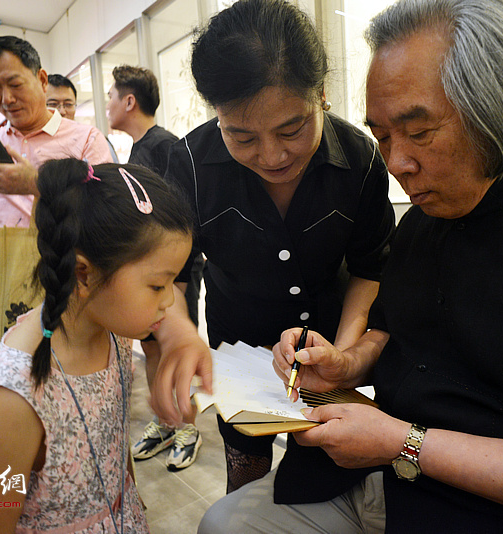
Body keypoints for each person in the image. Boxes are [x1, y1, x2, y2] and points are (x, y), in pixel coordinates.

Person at [199, 0, 503, 532]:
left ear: (501, 107)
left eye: (418, 133)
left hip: (492, 508)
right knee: (223, 523)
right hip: (370, 477)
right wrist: (348, 363)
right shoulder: (422, 222)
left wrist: (406, 442)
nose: (396, 164)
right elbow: (393, 330)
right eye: (383, 136)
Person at [151, 0, 395, 496]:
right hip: (236, 344)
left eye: (292, 129)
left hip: (330, 336)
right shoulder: (191, 163)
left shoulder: (361, 159)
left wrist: (344, 356)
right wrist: (177, 333)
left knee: (333, 472)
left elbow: (371, 268)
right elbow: (171, 271)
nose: (271, 155)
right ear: (217, 115)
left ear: (321, 95)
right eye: (241, 136)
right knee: (245, 472)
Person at [0, 160, 193, 533]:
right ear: (84, 273)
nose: (168, 301)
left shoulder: (112, 330)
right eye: (159, 286)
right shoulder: (14, 397)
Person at [0, 36, 113, 344]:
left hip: (62, 258)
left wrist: (35, 183)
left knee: (68, 350)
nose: (6, 98)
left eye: (14, 84)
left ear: (41, 79)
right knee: (13, 355)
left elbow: (105, 204)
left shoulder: (86, 137)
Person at [106, 64, 206, 469]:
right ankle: (166, 420)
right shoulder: (138, 149)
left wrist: (175, 285)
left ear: (130, 101)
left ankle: (188, 427)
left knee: (176, 348)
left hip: (174, 276)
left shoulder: (166, 146)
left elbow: (183, 222)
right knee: (150, 348)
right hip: (145, 277)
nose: (108, 104)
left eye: (111, 96)